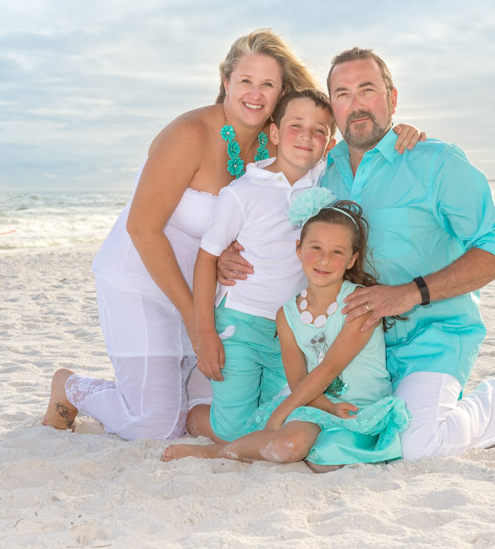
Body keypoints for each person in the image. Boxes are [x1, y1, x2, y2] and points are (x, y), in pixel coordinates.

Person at [42, 31, 424, 440]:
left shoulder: (277, 142)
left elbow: (337, 141)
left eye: (268, 85)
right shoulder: (190, 133)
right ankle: (72, 386)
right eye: (245, 81)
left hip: (216, 294)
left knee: (227, 413)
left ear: (280, 93)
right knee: (156, 425)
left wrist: (395, 132)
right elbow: (142, 228)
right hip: (145, 283)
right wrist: (197, 321)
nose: (255, 94)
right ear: (226, 81)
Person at [219, 47, 495, 459]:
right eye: (343, 94)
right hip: (347, 347)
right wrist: (226, 252)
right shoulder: (320, 168)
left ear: (392, 98)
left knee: (419, 446)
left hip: (431, 339)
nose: (356, 104)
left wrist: (408, 293)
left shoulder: (435, 162)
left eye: (367, 90)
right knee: (309, 440)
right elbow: (272, 217)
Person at [163, 197, 409, 470]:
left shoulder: (360, 305)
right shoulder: (288, 314)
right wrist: (324, 407)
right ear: (299, 250)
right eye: (316, 248)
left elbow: (329, 368)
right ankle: (218, 451)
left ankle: (258, 439)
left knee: (324, 463)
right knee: (286, 446)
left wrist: (280, 415)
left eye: (337, 252)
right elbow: (297, 380)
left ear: (352, 259)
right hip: (316, 404)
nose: (325, 259)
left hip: (359, 408)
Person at [189, 89, 338, 443]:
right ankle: (194, 415)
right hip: (240, 323)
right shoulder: (242, 192)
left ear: (330, 144)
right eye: (295, 126)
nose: (306, 136)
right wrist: (205, 334)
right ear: (274, 133)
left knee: (268, 419)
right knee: (230, 433)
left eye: (319, 130)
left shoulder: (323, 184)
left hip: (290, 330)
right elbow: (206, 259)